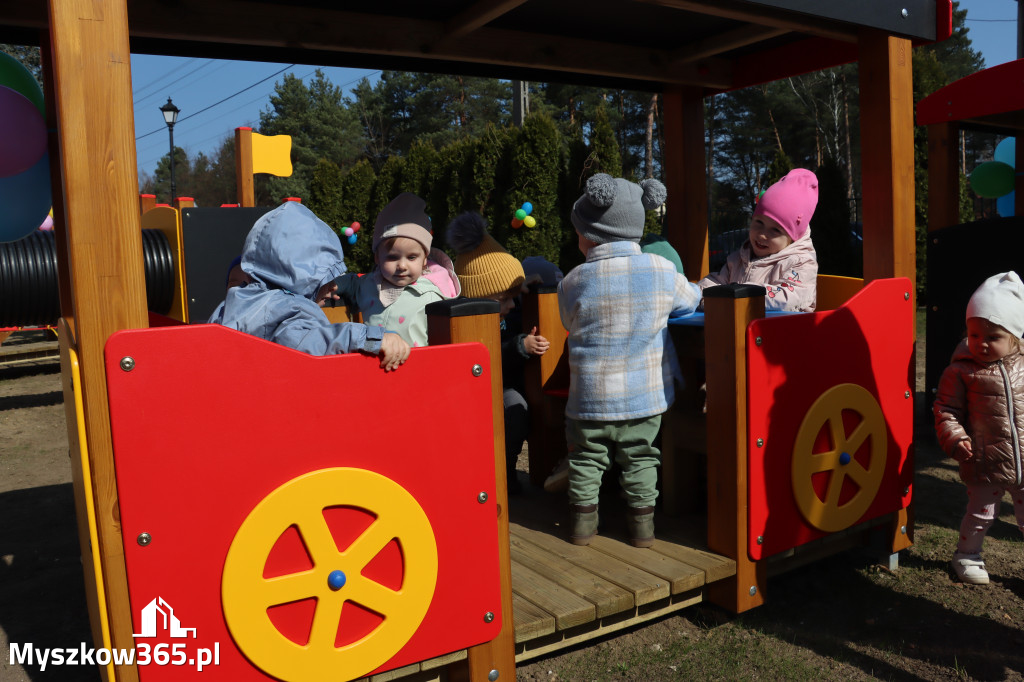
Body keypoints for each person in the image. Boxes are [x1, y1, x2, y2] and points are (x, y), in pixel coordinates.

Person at [559, 173, 701, 547]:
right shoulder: (661, 270)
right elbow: (690, 300)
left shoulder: (573, 280)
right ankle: (642, 529)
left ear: (590, 236)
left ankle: (582, 526)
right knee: (641, 458)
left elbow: (568, 321)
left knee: (586, 459)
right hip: (643, 397)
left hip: (590, 398)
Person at [208, 201, 409, 371]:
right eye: (326, 278)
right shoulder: (291, 309)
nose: (334, 287)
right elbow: (312, 344)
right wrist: (369, 338)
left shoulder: (232, 303)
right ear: (300, 276)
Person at [449, 211, 549, 494]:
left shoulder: (503, 311)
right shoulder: (468, 323)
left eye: (513, 297)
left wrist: (519, 287)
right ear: (477, 299)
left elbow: (508, 306)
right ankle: (496, 476)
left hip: (503, 386)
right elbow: (486, 355)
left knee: (520, 412)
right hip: (477, 389)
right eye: (505, 299)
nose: (512, 305)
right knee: (508, 415)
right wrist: (519, 346)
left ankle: (507, 471)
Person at [934, 271, 1024, 585]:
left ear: (1014, 336)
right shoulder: (960, 372)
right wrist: (955, 437)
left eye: (993, 337)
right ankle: (967, 555)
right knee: (981, 513)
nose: (981, 343)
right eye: (974, 335)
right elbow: (946, 410)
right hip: (984, 460)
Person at [334, 193, 459, 347]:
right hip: (372, 360)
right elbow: (352, 283)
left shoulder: (434, 294)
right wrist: (333, 285)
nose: (402, 266)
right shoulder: (369, 284)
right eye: (392, 257)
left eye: (411, 257)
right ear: (377, 258)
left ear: (424, 259)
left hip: (417, 361)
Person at [698, 168, 819, 312]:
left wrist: (739, 294)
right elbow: (717, 282)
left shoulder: (801, 262)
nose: (762, 235)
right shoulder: (738, 259)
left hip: (783, 326)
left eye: (775, 230)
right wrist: (697, 294)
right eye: (759, 222)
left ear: (792, 238)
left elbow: (790, 297)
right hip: (741, 324)